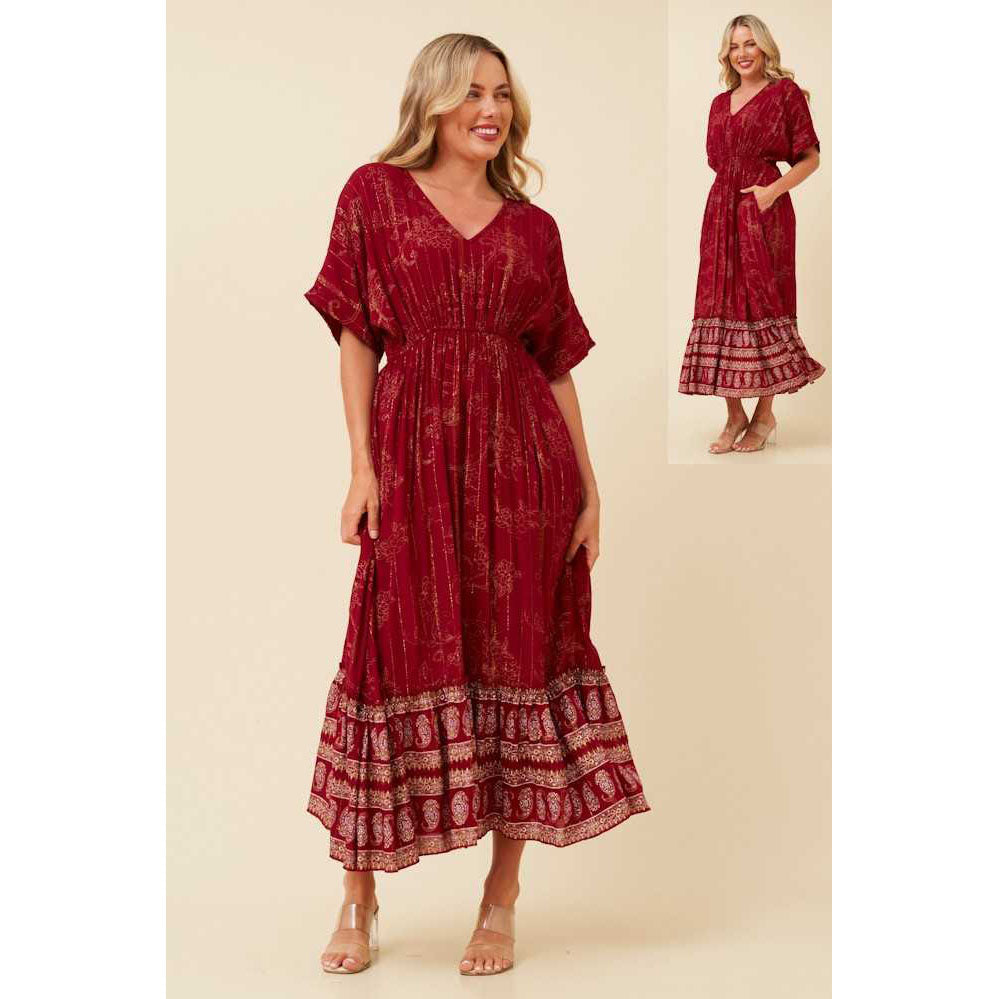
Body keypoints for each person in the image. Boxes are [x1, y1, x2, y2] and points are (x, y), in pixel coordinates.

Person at [302, 32, 651, 977]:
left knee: (519, 656)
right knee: (383, 653)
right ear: (432, 102)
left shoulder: (534, 229)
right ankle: (358, 893)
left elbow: (556, 365)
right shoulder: (374, 195)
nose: (489, 109)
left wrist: (588, 488)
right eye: (469, 93)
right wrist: (362, 466)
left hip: (524, 472)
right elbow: (355, 336)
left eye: (500, 93)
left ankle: (500, 899)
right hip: (413, 461)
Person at [678, 14, 825, 453]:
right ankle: (734, 416)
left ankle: (763, 415)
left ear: (764, 48)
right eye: (734, 46)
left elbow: (811, 158)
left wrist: (770, 192)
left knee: (764, 301)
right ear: (727, 54)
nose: (742, 53)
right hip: (720, 212)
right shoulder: (719, 103)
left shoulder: (785, 94)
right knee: (720, 302)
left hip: (765, 212)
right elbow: (716, 160)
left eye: (750, 44)